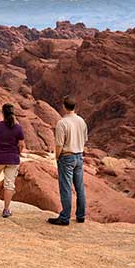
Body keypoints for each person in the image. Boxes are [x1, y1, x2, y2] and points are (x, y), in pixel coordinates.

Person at [48, 96, 88, 226]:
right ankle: (81, 216)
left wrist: (57, 157)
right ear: (74, 107)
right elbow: (84, 139)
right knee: (80, 188)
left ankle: (65, 217)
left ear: (64, 107)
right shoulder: (81, 121)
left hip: (67, 157)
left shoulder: (62, 123)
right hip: (79, 156)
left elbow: (59, 144)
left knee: (66, 188)